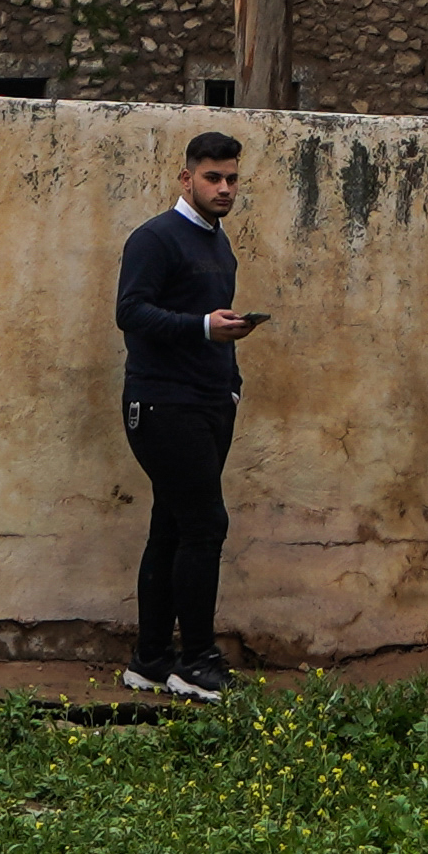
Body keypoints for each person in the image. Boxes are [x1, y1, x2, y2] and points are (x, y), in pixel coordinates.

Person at [114, 127, 255, 696]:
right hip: (161, 402)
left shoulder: (219, 242)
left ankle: (150, 657)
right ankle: (194, 661)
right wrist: (201, 328)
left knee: (171, 526)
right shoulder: (155, 239)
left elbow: (219, 324)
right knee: (204, 525)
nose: (224, 188)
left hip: (209, 402)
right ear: (186, 178)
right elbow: (130, 312)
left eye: (232, 179)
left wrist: (233, 384)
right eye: (212, 177)